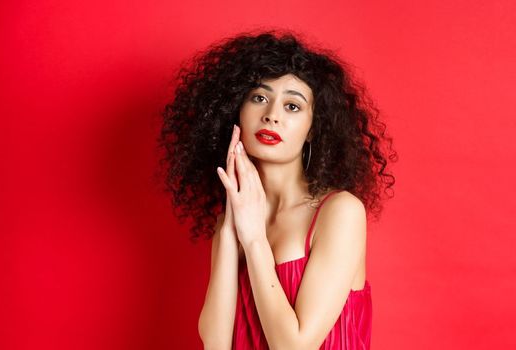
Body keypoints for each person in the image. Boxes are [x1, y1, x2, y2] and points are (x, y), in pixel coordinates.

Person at [158, 30, 396, 349]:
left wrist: (255, 239)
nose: (271, 115)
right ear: (236, 112)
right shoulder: (232, 219)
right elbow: (215, 343)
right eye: (259, 98)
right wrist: (231, 228)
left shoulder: (339, 212)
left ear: (314, 130)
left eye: (293, 106)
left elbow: (294, 346)